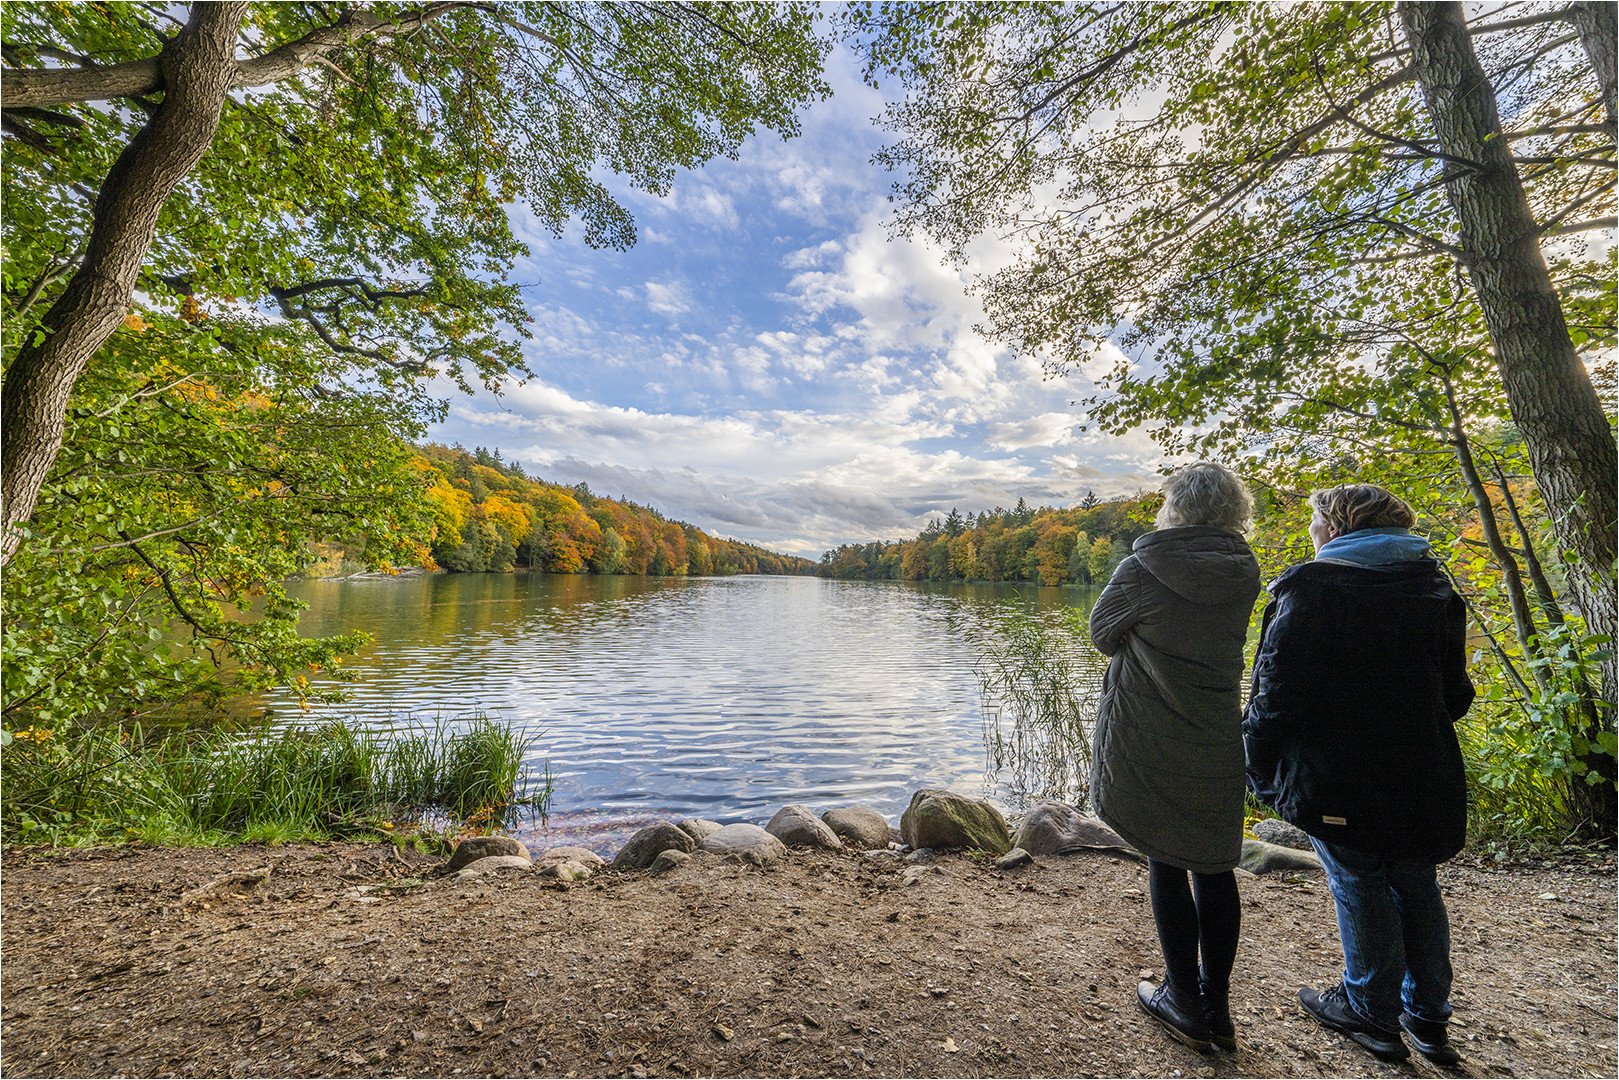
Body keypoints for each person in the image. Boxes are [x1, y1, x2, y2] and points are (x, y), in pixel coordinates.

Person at [1244, 483, 1473, 1066]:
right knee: (1416, 883)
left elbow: (1276, 697)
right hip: (1421, 769)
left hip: (1337, 774)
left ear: (1338, 525)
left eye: (1317, 520)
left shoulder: (1312, 588)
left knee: (1358, 882)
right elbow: (1455, 693)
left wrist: (1256, 762)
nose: (1312, 530)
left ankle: (1369, 1011)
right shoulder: (1432, 581)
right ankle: (1427, 1018)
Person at [1088, 462, 1261, 1053]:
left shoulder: (1142, 566)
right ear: (1233, 509)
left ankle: (1180, 998)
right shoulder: (1245, 569)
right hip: (1216, 731)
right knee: (1215, 864)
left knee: (1166, 857)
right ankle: (1219, 1007)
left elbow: (1103, 633)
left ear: (1176, 506)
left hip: (1153, 732)